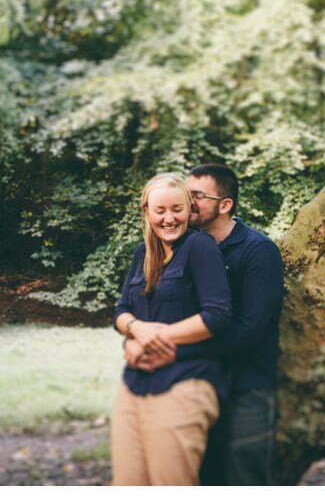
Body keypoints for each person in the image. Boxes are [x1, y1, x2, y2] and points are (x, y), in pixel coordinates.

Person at [124, 163, 285, 485]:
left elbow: (250, 330)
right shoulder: (180, 248)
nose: (188, 201)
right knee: (200, 473)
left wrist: (171, 351)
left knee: (243, 475)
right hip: (196, 380)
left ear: (225, 205)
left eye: (197, 196)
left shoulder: (258, 250)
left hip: (246, 382)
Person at [110, 172, 233, 485]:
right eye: (160, 210)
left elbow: (217, 315)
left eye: (177, 209)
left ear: (189, 210)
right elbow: (121, 312)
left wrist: (153, 338)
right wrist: (135, 331)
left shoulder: (200, 247)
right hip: (134, 385)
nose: (168, 219)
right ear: (146, 212)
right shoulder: (142, 253)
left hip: (184, 384)